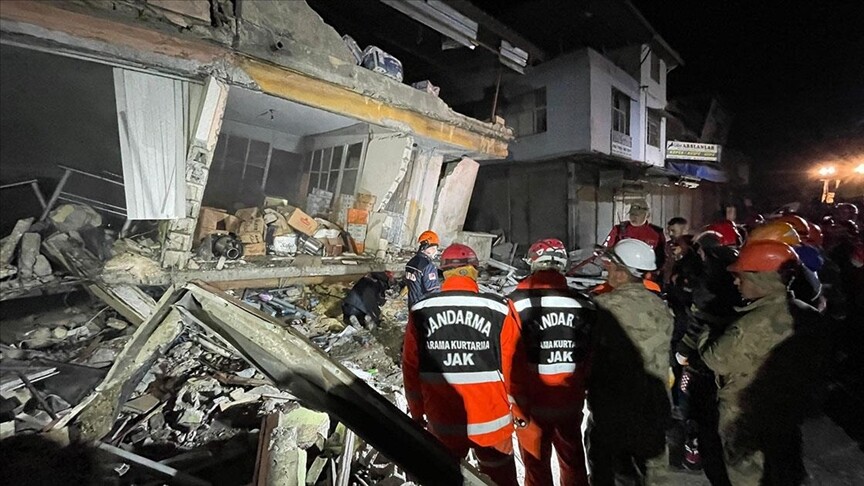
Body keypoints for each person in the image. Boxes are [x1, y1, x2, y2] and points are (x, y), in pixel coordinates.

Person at [402, 244, 526, 486]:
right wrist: (520, 412)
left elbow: (410, 367)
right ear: (475, 271)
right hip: (492, 424)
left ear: (443, 273)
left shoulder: (420, 311)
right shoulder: (499, 309)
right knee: (500, 480)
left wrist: (417, 413)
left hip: (443, 421)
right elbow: (515, 369)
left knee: (446, 478)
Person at [698, 240, 799, 485]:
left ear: (762, 279)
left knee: (746, 476)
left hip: (744, 414)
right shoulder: (802, 310)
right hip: (782, 408)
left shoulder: (751, 324)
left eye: (741, 277)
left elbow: (715, 360)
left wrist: (705, 332)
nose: (735, 282)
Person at [588, 239, 673, 485]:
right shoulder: (660, 305)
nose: (607, 270)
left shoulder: (604, 307)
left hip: (615, 411)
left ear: (621, 272)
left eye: (610, 265)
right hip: (654, 406)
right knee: (654, 471)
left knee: (608, 470)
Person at [508, 239, 593, 486]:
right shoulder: (585, 304)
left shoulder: (515, 303)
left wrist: (515, 403)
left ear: (534, 263)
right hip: (569, 402)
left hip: (531, 407)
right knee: (574, 464)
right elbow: (591, 355)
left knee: (536, 469)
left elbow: (508, 359)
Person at [603, 200, 666, 270]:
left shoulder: (656, 232)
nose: (634, 217)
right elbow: (606, 250)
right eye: (632, 214)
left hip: (647, 271)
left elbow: (662, 256)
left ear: (647, 215)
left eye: (637, 215)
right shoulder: (619, 229)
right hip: (623, 270)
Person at [405, 230, 441, 307]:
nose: (436, 251)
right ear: (426, 247)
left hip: (412, 303)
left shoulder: (411, 262)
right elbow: (433, 290)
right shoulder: (428, 266)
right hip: (424, 306)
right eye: (433, 248)